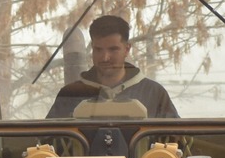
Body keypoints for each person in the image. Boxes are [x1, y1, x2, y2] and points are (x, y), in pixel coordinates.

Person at [48, 15, 179, 119]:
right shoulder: (70, 94)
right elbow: (46, 145)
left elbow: (177, 143)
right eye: (98, 49)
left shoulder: (154, 93)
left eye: (113, 49)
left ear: (127, 49)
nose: (105, 57)